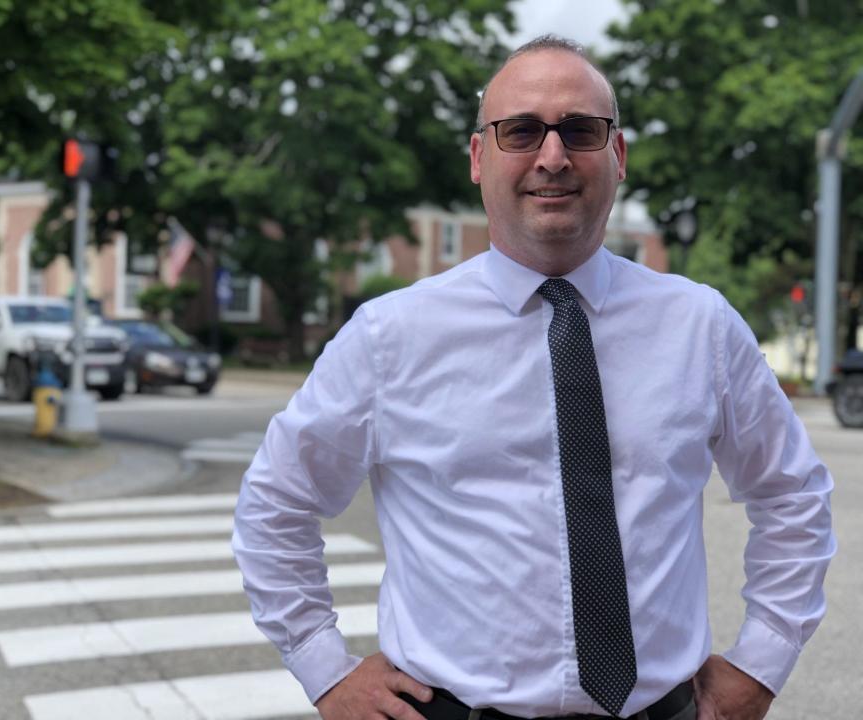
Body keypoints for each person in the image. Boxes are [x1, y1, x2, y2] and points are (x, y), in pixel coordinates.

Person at [232, 35, 835, 720]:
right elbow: (275, 505)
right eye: (521, 132)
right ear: (479, 156)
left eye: (580, 130)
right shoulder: (389, 337)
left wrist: (761, 663)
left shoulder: (700, 326)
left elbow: (792, 496)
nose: (552, 157)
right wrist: (326, 671)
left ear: (619, 154)